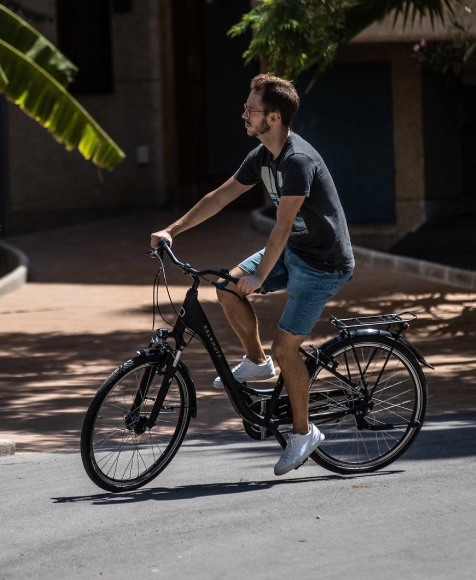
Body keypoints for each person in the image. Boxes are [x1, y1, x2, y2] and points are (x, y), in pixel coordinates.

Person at [150, 73, 354, 476]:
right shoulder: (262, 154)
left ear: (273, 117)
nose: (243, 113)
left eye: (251, 109)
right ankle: (257, 362)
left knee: (287, 349)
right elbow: (221, 196)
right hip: (293, 250)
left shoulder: (297, 161)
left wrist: (260, 275)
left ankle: (303, 432)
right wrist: (172, 230)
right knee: (226, 288)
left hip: (322, 264)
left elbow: (281, 225)